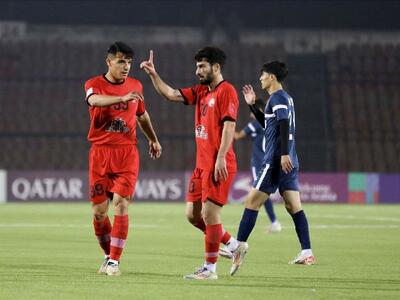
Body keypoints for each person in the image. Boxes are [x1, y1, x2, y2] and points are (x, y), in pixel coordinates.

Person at [140, 46, 245, 280]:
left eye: (202, 66)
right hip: (201, 165)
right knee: (192, 215)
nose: (197, 70)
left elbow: (229, 126)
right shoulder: (200, 92)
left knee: (210, 215)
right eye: (196, 66)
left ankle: (209, 269)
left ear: (216, 67)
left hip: (219, 164)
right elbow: (169, 94)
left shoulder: (227, 91)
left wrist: (220, 157)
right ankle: (234, 244)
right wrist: (153, 74)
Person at [84, 41, 162, 276]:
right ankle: (108, 256)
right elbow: (93, 100)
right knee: (98, 212)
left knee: (121, 203)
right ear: (109, 62)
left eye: (128, 62)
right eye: (121, 61)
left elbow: (142, 115)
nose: (126, 66)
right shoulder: (93, 84)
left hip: (127, 153)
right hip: (100, 152)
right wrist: (122, 98)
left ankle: (115, 262)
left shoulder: (136, 85)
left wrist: (153, 139)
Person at [230, 61, 315, 276]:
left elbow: (284, 123)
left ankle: (238, 247)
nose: (260, 78)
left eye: (263, 75)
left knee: (251, 202)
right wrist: (251, 106)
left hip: (276, 159)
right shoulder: (283, 99)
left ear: (272, 77)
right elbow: (271, 126)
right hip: (288, 159)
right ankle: (307, 251)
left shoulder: (277, 98)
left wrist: (283, 153)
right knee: (293, 206)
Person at [234, 98, 282, 233]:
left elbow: (237, 136)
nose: (251, 115)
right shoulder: (272, 123)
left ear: (259, 110)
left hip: (259, 162)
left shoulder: (256, 124)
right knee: (263, 192)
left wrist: (225, 125)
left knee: (259, 192)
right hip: (270, 160)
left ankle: (274, 222)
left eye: (252, 111)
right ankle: (274, 222)